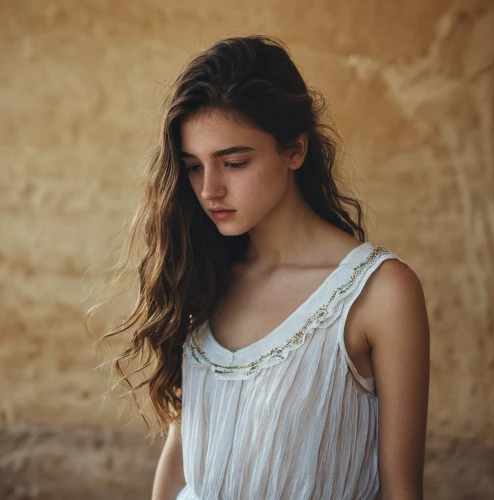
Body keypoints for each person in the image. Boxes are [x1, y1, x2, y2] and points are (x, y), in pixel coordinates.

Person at [92, 35, 430, 500]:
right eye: (193, 166)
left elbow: (401, 490)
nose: (209, 189)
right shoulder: (203, 272)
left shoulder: (380, 293)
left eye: (233, 162)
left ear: (294, 150)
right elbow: (180, 460)